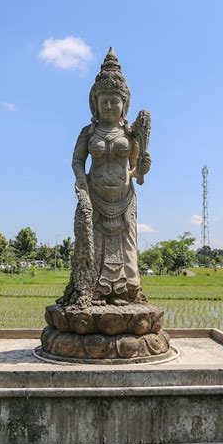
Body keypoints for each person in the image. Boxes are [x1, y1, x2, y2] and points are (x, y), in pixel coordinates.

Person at [62, 48, 151, 307]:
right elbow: (77, 160)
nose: (110, 106)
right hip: (95, 197)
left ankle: (126, 292)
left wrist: (142, 168)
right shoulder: (89, 132)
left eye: (115, 100)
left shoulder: (131, 134)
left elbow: (135, 168)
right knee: (94, 245)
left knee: (126, 247)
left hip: (123, 200)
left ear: (125, 103)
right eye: (105, 101)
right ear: (95, 103)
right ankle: (94, 291)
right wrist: (81, 181)